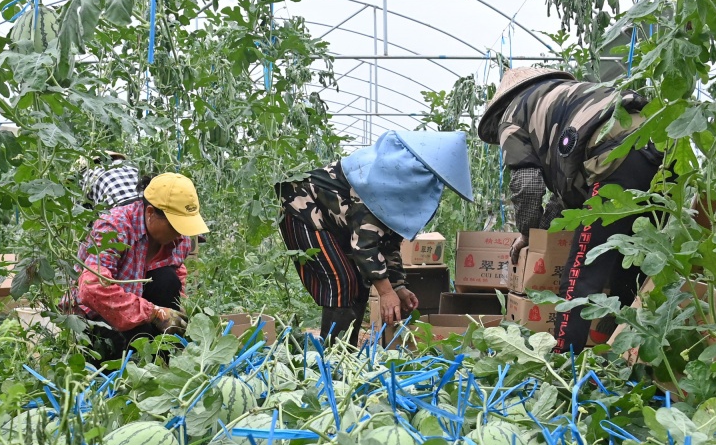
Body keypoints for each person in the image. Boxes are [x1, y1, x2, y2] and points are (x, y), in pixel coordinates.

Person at [480, 67, 665, 354]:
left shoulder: (513, 114)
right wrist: (542, 232)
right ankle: (622, 356)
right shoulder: (566, 98)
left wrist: (528, 232)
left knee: (582, 274)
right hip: (663, 152)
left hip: (614, 161)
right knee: (634, 264)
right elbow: (564, 199)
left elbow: (527, 184)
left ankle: (566, 364)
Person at [276, 130, 474, 344]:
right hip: (302, 210)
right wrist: (386, 292)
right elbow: (364, 245)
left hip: (335, 223)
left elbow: (389, 242)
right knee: (342, 280)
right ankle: (330, 359)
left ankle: (345, 353)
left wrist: (398, 286)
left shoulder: (398, 191)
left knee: (360, 284)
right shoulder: (377, 182)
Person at [62, 173, 207, 360]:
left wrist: (179, 310)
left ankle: (163, 362)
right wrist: (154, 312)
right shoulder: (115, 226)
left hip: (138, 303)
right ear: (150, 213)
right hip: (94, 313)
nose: (180, 233)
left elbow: (176, 272)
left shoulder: (178, 239)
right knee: (129, 343)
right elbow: (91, 288)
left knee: (167, 281)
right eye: (175, 225)